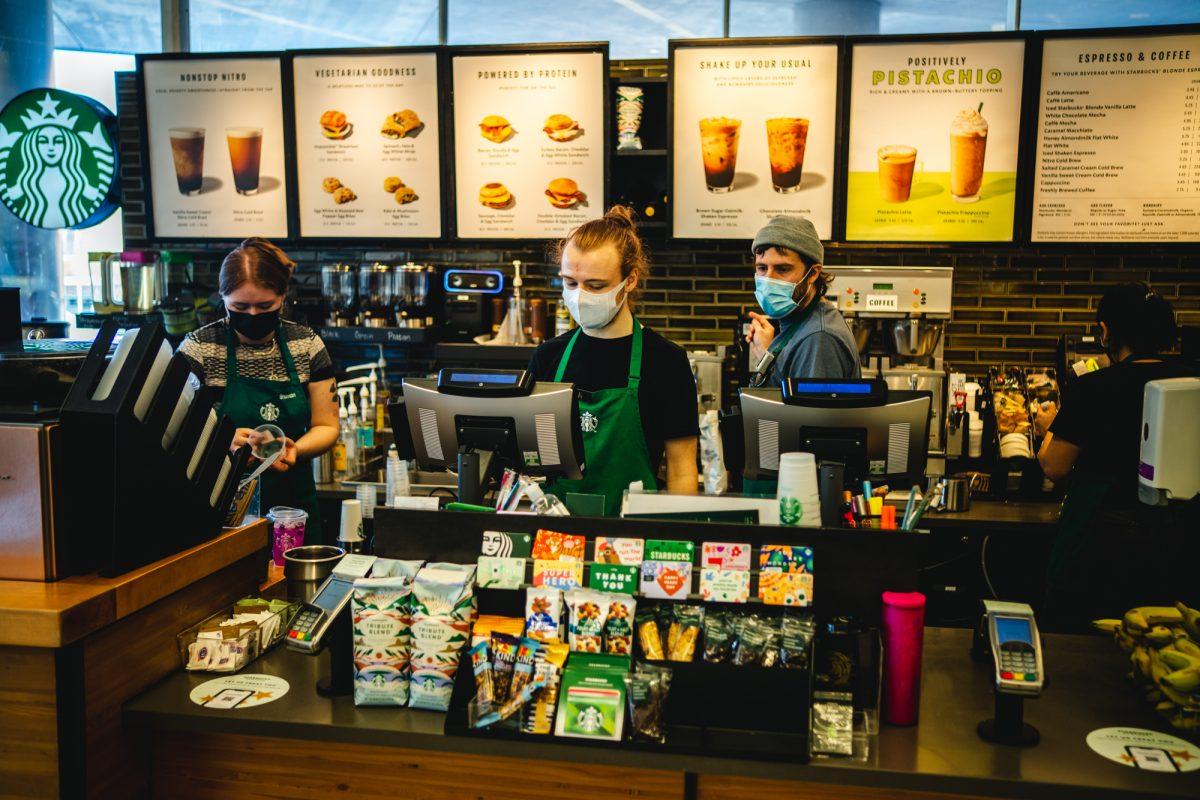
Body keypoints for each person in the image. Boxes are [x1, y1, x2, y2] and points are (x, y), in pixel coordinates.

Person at [1032, 282, 1198, 631]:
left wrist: (1048, 427)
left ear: (1106, 331)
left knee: (1087, 648)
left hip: (1106, 543)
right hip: (1181, 543)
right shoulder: (1192, 381)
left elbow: (1054, 465)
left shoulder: (1095, 386)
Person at [527, 206, 699, 515]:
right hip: (555, 539)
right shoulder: (548, 357)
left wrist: (676, 543)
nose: (579, 296)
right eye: (569, 283)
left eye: (595, 286)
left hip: (634, 538)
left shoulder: (666, 361)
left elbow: (682, 471)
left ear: (630, 280)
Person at [179, 238, 339, 541]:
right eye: (240, 306)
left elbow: (327, 425)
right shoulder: (199, 349)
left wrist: (295, 449)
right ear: (223, 297)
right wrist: (221, 439)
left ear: (283, 297)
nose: (252, 315)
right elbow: (176, 432)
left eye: (265, 306)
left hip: (293, 509)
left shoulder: (306, 345)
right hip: (221, 512)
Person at [744, 215, 860, 387]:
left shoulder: (819, 339)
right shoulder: (800, 322)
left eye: (782, 269)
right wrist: (768, 353)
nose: (768, 280)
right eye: (762, 268)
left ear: (813, 273)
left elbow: (805, 413)